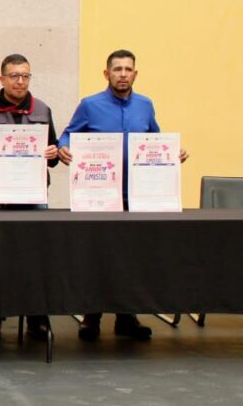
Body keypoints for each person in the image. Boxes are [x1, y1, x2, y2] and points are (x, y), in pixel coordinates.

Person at [58, 49, 189, 341]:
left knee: (130, 258)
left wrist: (172, 152)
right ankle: (91, 317)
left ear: (135, 74)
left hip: (137, 195)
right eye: (117, 69)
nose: (122, 74)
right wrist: (64, 147)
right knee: (98, 257)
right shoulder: (90, 105)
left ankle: (126, 316)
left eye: (128, 69)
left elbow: (155, 138)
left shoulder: (145, 105)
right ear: (107, 74)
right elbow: (67, 135)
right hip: (99, 195)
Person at [0, 53, 59, 342]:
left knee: (37, 256)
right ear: (2, 79)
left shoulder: (43, 110)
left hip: (35, 194)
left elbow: (55, 154)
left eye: (25, 76)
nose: (20, 81)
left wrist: (53, 152)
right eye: (14, 76)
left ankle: (38, 318)